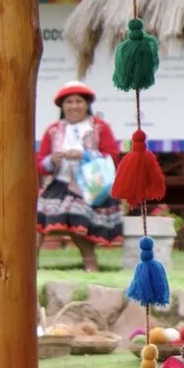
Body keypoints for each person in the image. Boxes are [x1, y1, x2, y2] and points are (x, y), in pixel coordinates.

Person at [36, 83, 124, 269]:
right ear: (62, 106)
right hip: (59, 185)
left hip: (92, 188)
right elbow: (39, 164)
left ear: (87, 105)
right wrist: (53, 160)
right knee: (36, 214)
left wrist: (85, 155)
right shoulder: (53, 130)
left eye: (79, 101)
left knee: (75, 212)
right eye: (69, 102)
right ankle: (30, 266)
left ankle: (90, 262)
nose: (74, 106)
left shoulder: (100, 128)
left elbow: (113, 157)